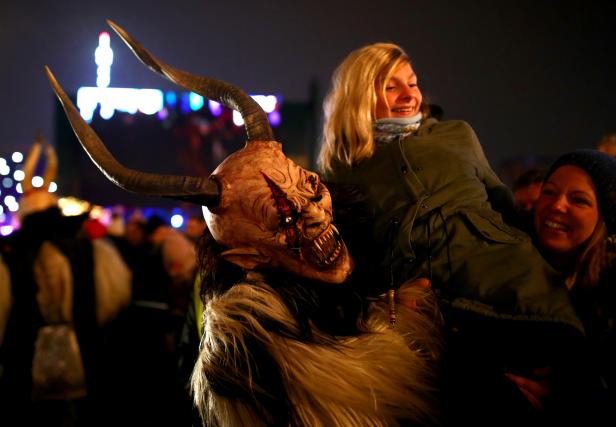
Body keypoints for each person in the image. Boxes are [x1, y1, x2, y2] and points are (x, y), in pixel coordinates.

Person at [46, 21, 443, 426]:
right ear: (246, 254)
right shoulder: (246, 347)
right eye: (281, 215)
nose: (315, 211)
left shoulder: (381, 202)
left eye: (308, 185)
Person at [318, 42, 585, 425]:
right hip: (431, 321)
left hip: (509, 287)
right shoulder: (344, 172)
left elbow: (503, 205)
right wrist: (386, 298)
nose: (409, 95)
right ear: (360, 94)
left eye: (413, 83)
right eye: (391, 86)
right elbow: (356, 259)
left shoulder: (457, 135)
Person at [509, 149, 616, 424]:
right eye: (550, 192)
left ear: (605, 216)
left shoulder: (609, 290)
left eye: (578, 200)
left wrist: (570, 400)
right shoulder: (505, 265)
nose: (557, 205)